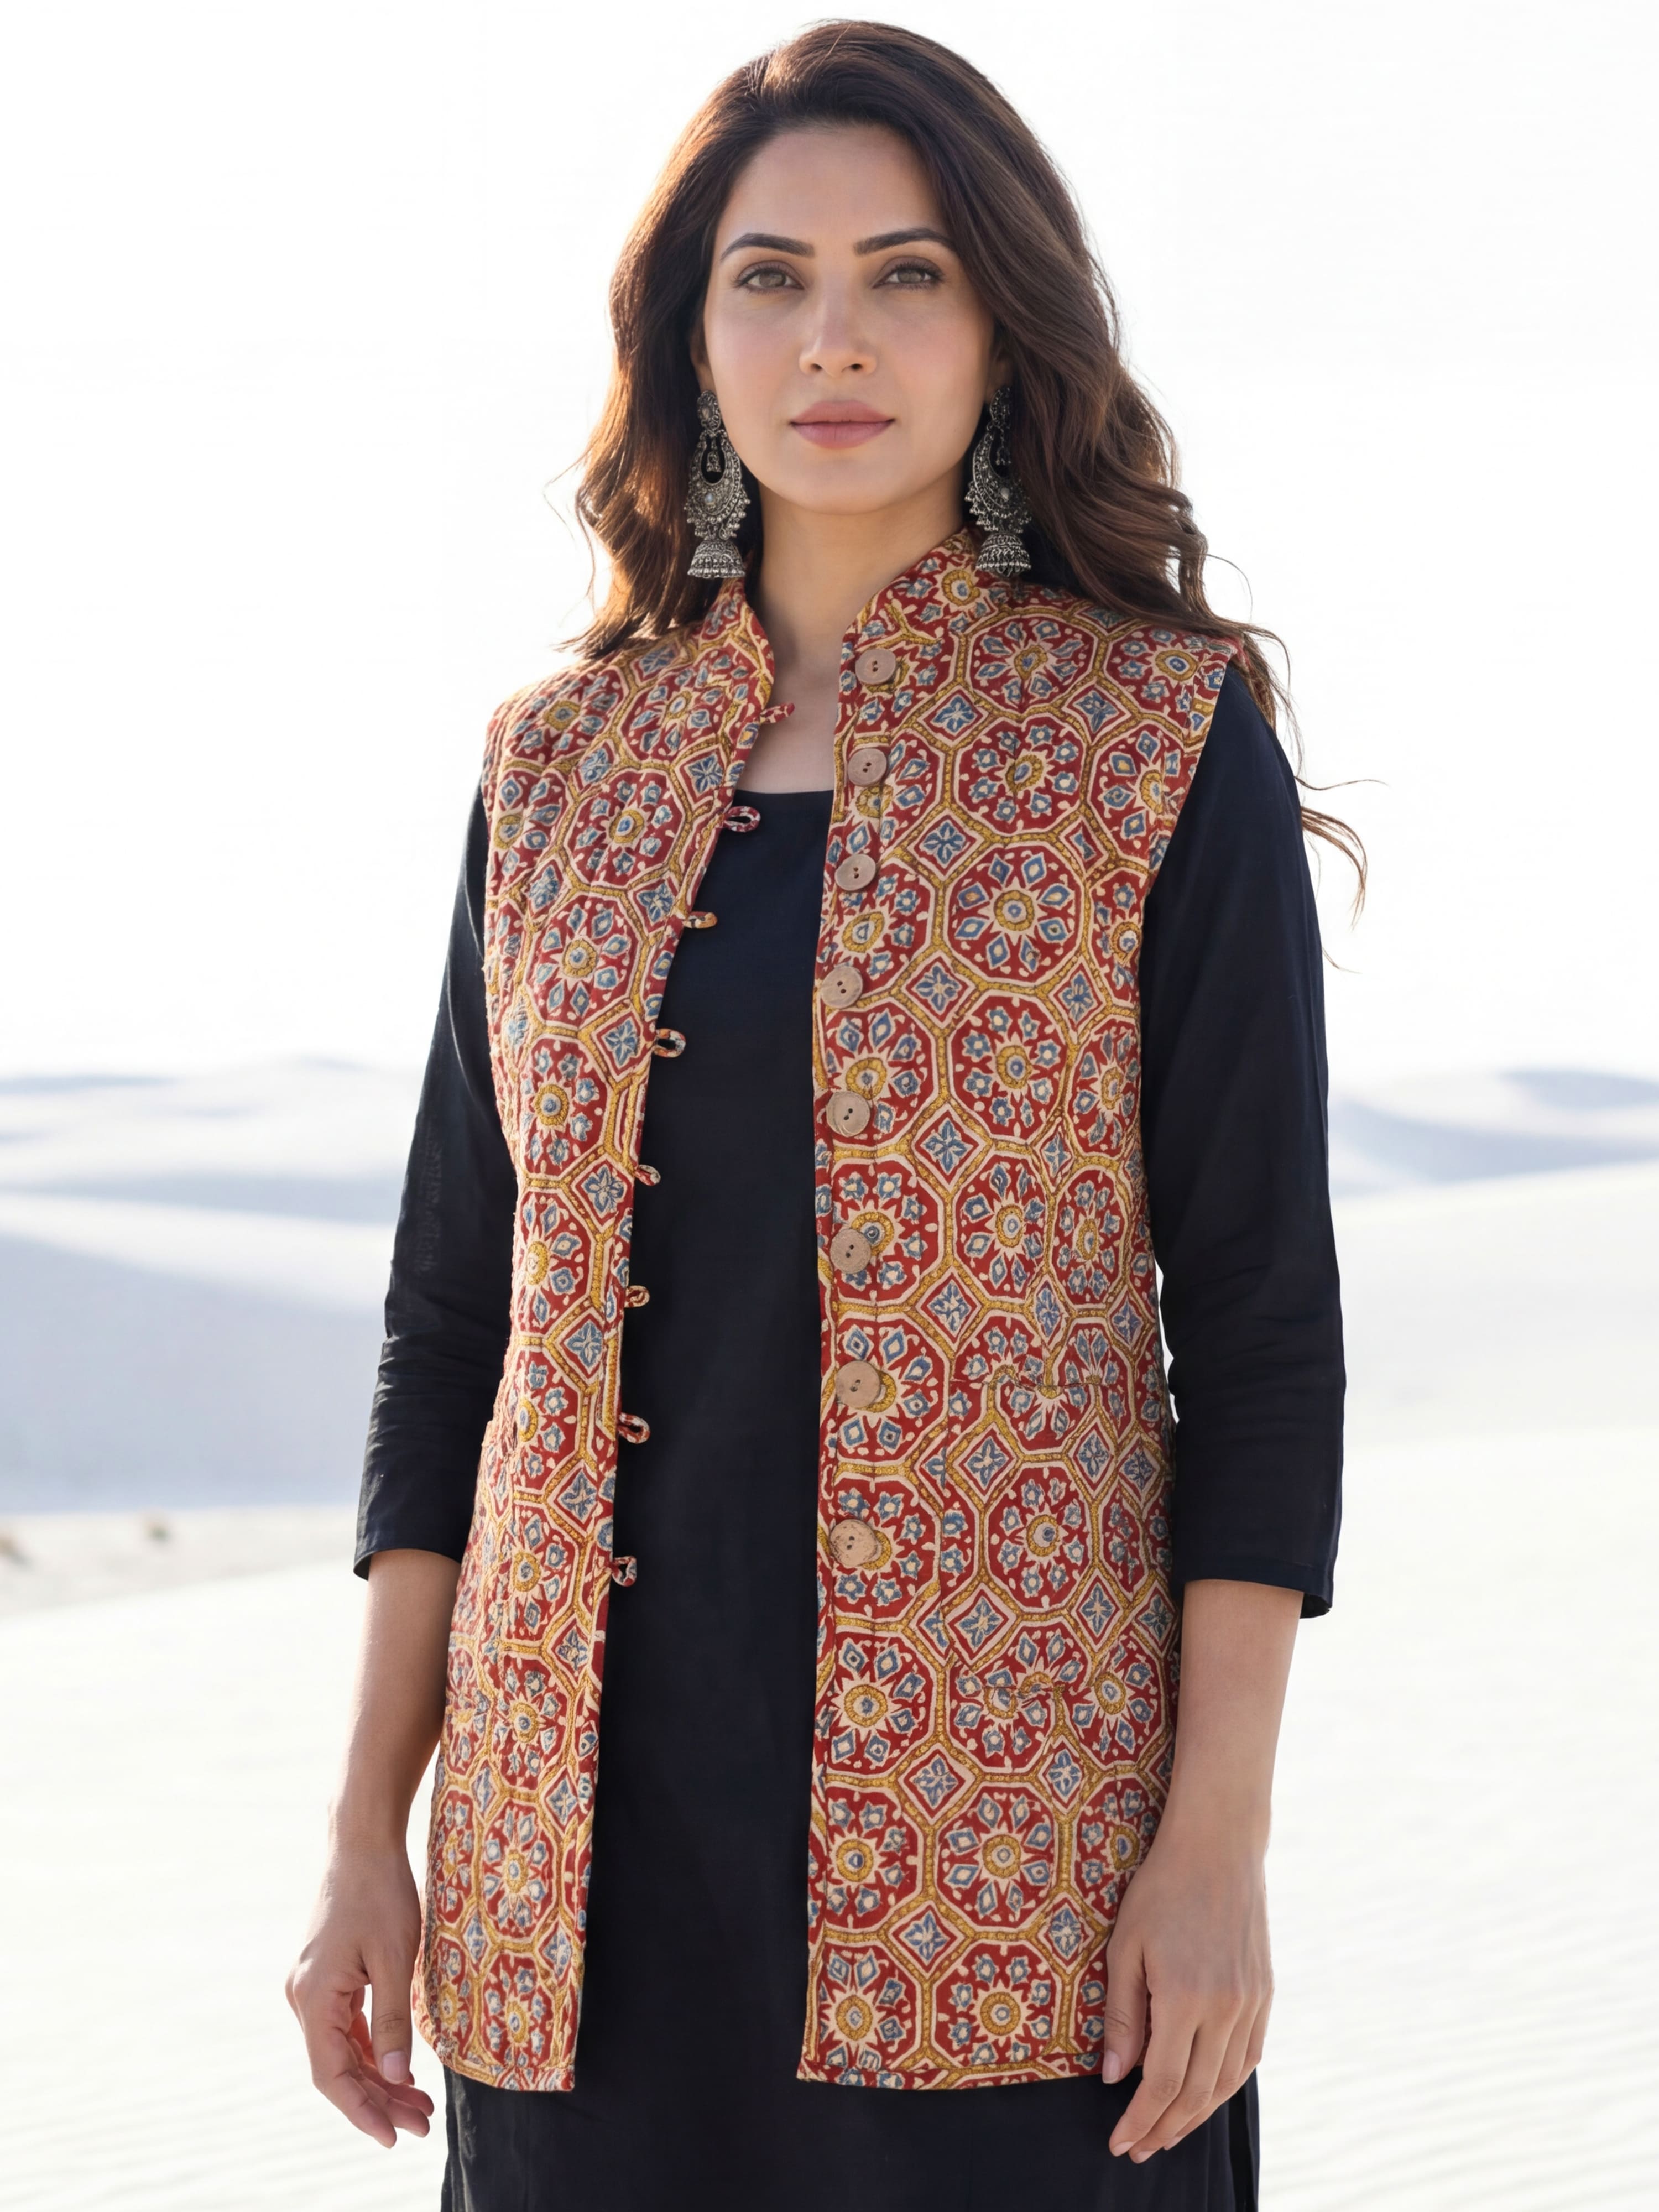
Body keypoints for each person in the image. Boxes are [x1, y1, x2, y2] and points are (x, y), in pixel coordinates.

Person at [287, 22, 1349, 2209]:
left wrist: (1217, 1850)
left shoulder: (1153, 743)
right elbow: (455, 1328)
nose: (833, 339)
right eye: (769, 278)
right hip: (572, 1888)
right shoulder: (555, 771)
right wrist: (365, 1834)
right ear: (692, 340)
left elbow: (1259, 1338)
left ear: (1003, 326)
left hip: (1017, 1884)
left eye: (907, 275)